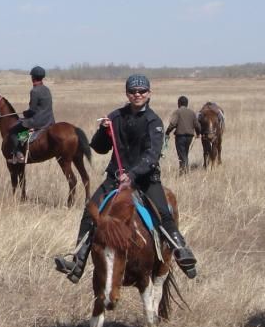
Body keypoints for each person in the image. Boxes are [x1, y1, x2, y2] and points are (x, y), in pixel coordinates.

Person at [54, 74, 198, 282]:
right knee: (90, 211)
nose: (137, 95)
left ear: (149, 94)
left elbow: (152, 155)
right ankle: (77, 262)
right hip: (114, 177)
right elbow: (100, 148)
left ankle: (181, 251)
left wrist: (132, 174)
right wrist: (103, 132)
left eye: (141, 91)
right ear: (127, 94)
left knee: (163, 213)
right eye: (133, 91)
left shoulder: (154, 121)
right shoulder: (115, 117)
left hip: (146, 179)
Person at [8, 66, 54, 163]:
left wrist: (25, 113)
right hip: (50, 121)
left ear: (32, 77)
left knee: (13, 131)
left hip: (38, 122)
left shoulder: (34, 91)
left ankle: (18, 154)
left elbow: (32, 110)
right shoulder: (47, 89)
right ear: (42, 77)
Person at [165, 95, 198, 173]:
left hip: (180, 136)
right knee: (185, 153)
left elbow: (173, 124)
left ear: (179, 103)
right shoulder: (192, 112)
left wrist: (167, 132)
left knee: (182, 155)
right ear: (187, 104)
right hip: (190, 136)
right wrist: (199, 133)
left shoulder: (178, 112)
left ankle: (183, 172)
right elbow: (197, 125)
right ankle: (185, 170)